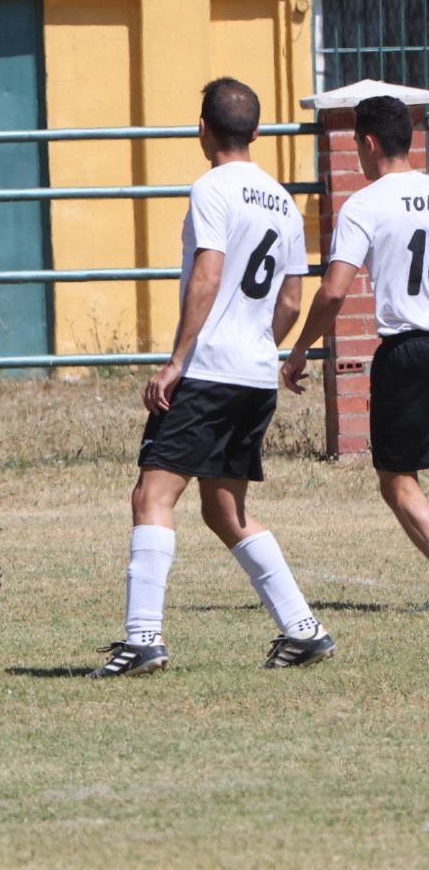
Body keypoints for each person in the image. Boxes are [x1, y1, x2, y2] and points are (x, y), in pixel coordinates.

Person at [88, 77, 334, 677]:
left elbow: (209, 272)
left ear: (203, 129)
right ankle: (303, 628)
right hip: (252, 373)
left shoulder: (212, 188)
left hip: (209, 371)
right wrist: (259, 348)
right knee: (225, 508)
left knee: (152, 496)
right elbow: (290, 298)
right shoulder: (280, 197)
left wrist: (177, 359)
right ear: (255, 131)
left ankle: (143, 638)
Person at [282, 94, 429, 576]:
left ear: (367, 143)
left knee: (397, 478)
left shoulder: (364, 204)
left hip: (407, 350)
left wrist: (300, 349)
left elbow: (333, 292)